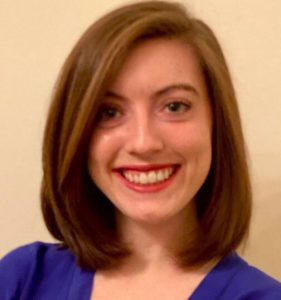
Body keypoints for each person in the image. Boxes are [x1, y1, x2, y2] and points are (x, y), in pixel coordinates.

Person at [0, 1, 280, 299]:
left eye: (174, 106)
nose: (143, 143)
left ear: (216, 124)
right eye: (109, 112)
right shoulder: (23, 278)